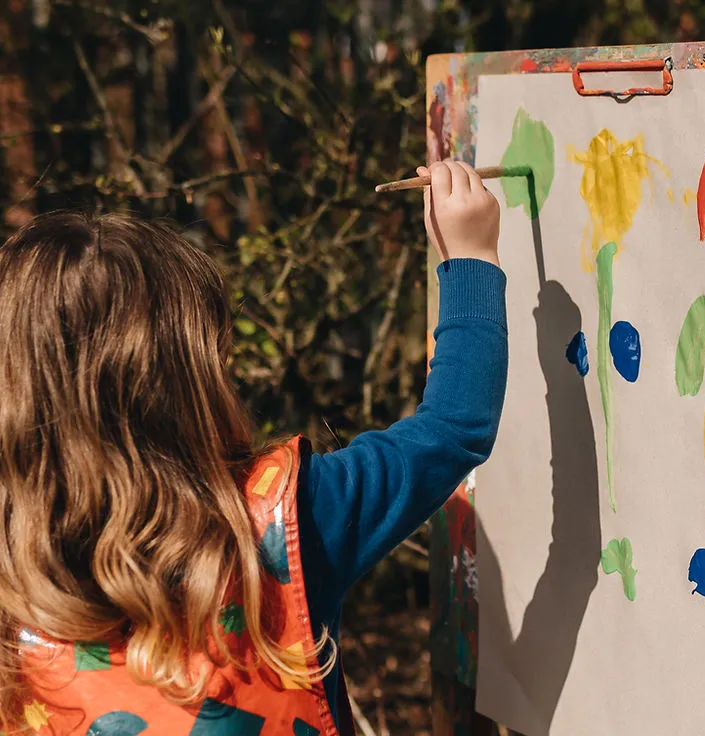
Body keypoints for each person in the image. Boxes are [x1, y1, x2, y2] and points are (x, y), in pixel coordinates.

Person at [0, 160, 507, 735]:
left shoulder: (13, 560)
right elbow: (454, 427)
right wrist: (470, 258)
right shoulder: (290, 519)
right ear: (194, 376)